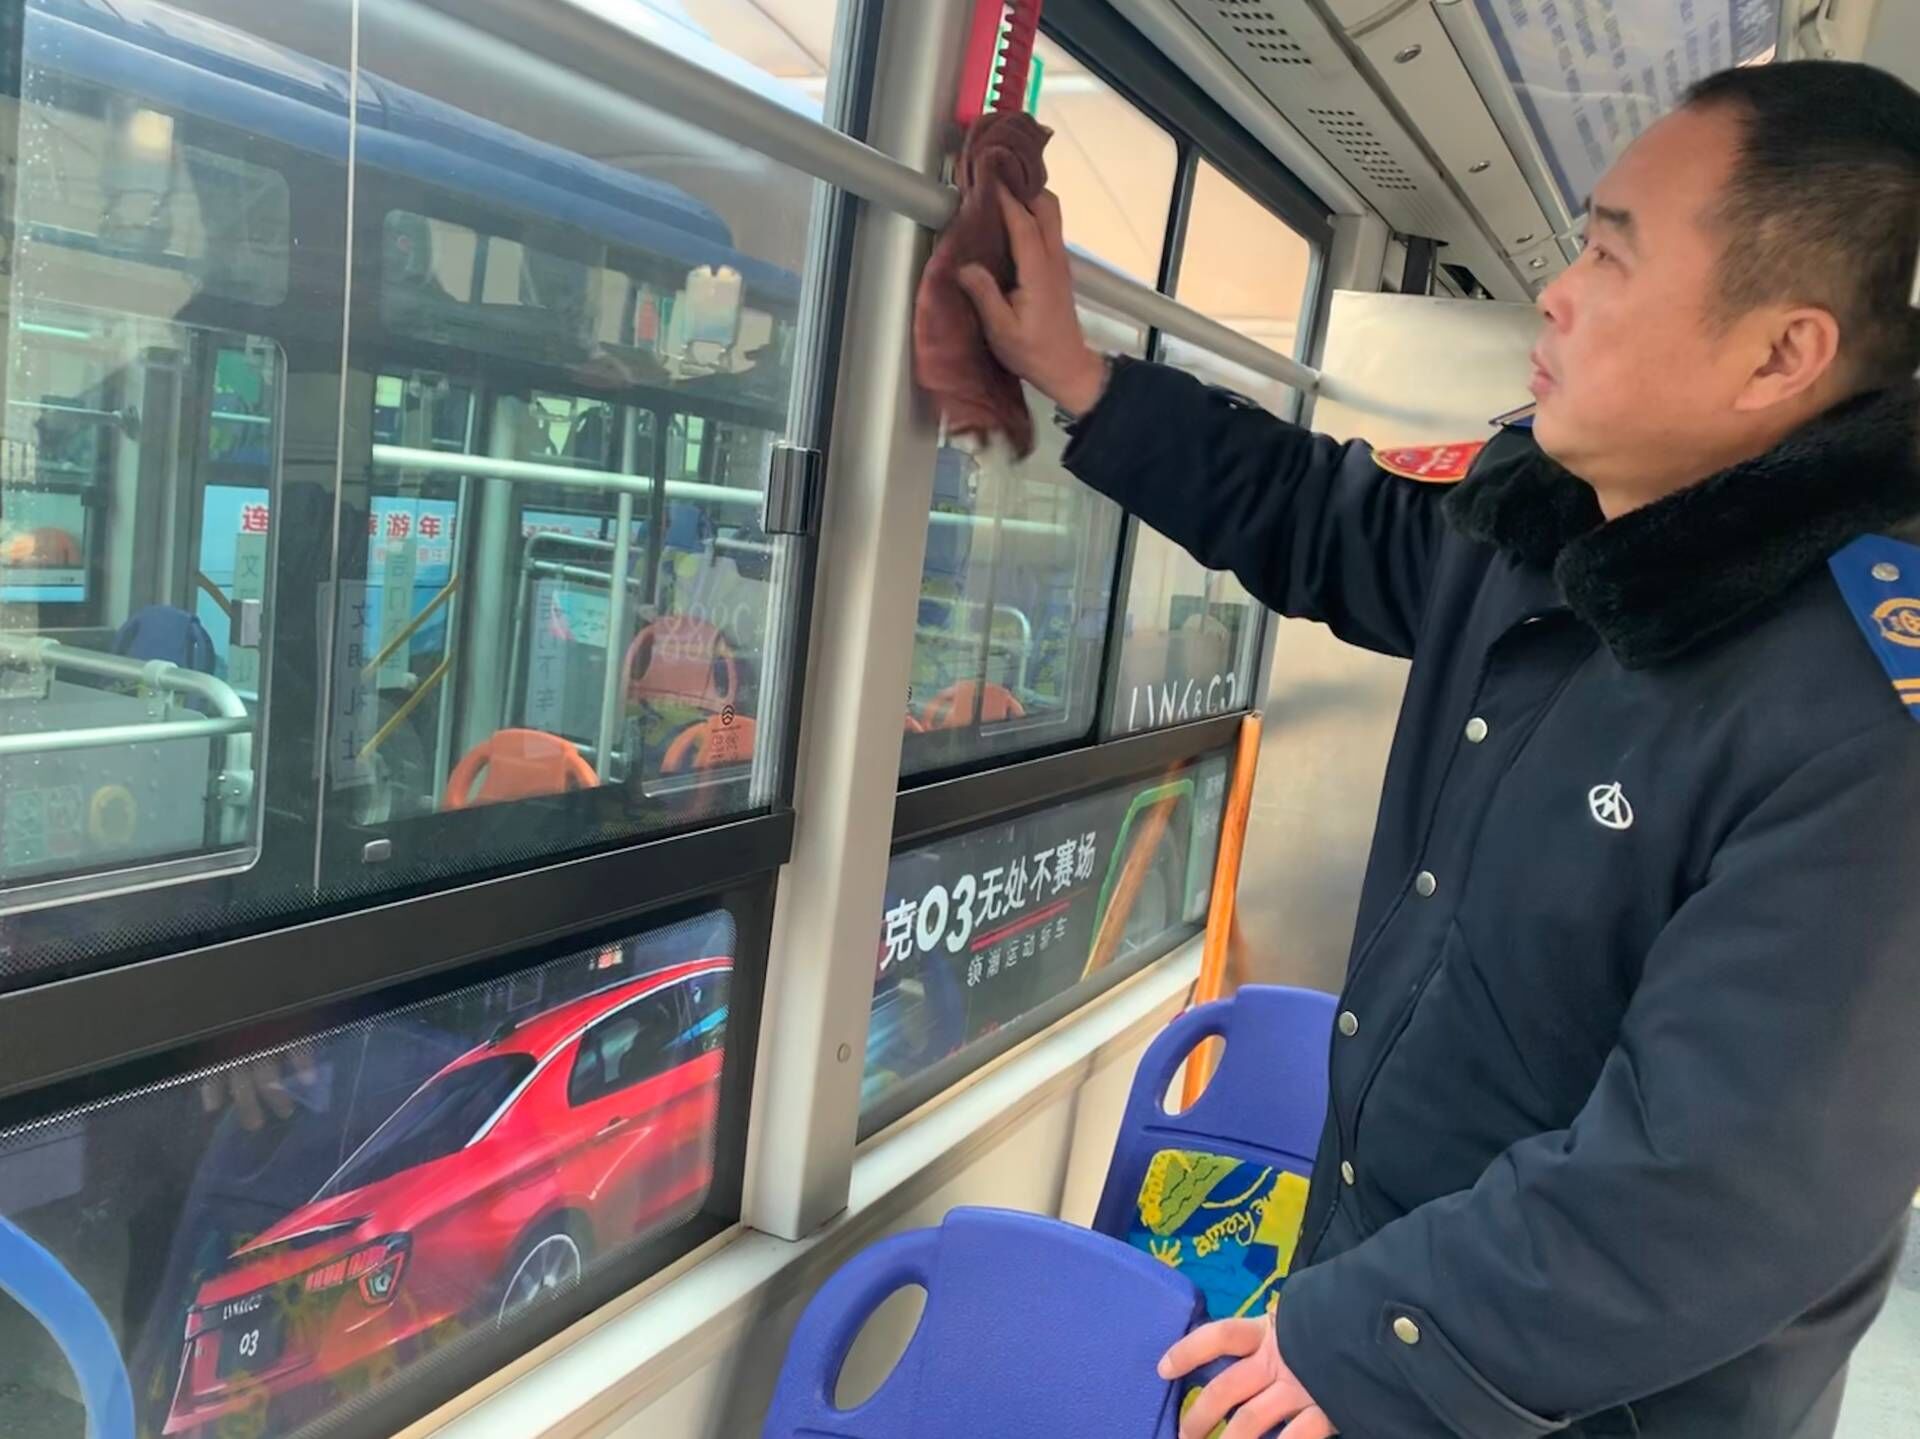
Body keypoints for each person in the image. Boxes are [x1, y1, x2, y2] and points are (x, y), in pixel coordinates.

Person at [959, 60, 1920, 1439]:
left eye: (1611, 256)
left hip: (1576, 1395)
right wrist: (1082, 379)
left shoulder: (1867, 719)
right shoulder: (1551, 521)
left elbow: (1729, 1183)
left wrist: (1373, 1342)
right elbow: (1323, 515)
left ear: (1782, 355)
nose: (1558, 295)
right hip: (1391, 1290)